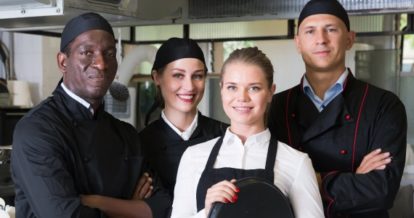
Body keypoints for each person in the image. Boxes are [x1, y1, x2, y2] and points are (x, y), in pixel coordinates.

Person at [11, 12, 169, 218]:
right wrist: (130, 208)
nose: (101, 64)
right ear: (63, 62)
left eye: (109, 53)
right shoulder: (37, 130)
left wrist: (95, 202)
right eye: (87, 53)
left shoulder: (126, 135)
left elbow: (163, 206)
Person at [267, 0, 407, 217]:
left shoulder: (384, 105)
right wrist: (354, 178)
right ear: (298, 43)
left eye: (331, 29)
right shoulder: (275, 107)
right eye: (310, 31)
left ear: (350, 39)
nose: (321, 40)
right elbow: (268, 184)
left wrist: (311, 180)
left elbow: (382, 190)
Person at [171, 47, 324, 218]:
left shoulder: (297, 163)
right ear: (221, 89)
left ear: (270, 92)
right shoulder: (193, 157)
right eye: (232, 87)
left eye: (254, 88)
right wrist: (207, 212)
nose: (242, 97)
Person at [139, 37, 228, 197]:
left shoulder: (225, 136)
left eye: (197, 76)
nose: (189, 86)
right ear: (156, 77)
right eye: (178, 75)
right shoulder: (139, 145)